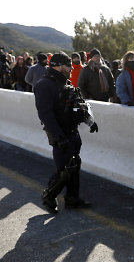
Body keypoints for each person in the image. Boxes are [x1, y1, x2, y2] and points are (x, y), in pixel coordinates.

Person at [33, 52, 99, 214]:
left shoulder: (65, 83)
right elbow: (45, 115)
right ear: (58, 65)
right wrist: (59, 137)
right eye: (68, 65)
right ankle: (49, 196)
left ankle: (72, 198)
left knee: (74, 166)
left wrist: (90, 121)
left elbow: (78, 105)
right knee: (64, 169)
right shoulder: (44, 85)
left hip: (73, 133)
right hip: (60, 135)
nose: (71, 68)